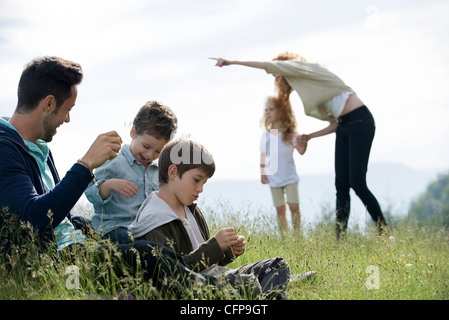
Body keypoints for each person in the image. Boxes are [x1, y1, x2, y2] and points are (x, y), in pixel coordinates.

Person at [0, 56, 230, 298]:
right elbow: (31, 220)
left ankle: (216, 285)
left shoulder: (38, 149)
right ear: (49, 104)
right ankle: (226, 293)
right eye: (68, 109)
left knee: (150, 253)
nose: (68, 119)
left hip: (76, 248)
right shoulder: (5, 150)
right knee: (148, 258)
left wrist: (92, 228)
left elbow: (60, 218)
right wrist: (85, 165)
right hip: (65, 267)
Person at [211, 53, 388, 239]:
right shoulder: (307, 85)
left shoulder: (303, 68)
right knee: (341, 185)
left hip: (360, 121)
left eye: (276, 72)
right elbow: (335, 124)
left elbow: (267, 66)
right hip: (343, 126)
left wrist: (232, 62)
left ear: (284, 66)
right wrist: (309, 136)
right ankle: (340, 239)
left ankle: (384, 231)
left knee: (357, 183)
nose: (274, 76)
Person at [129, 138, 314, 299]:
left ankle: (272, 291)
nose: (200, 189)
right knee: (246, 283)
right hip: (195, 287)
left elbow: (208, 263)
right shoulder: (154, 220)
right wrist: (214, 246)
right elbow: (171, 276)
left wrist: (228, 251)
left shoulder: (191, 209)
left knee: (277, 264)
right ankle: (274, 287)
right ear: (172, 172)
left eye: (204, 182)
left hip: (215, 276)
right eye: (196, 180)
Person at [85, 101, 177, 244]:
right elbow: (91, 193)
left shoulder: (158, 171)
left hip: (145, 229)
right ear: (133, 132)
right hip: (114, 228)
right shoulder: (113, 160)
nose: (149, 155)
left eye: (158, 151)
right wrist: (109, 185)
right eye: (146, 146)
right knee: (126, 238)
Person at [260, 95, 306, 233]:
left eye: (271, 109)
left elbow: (301, 151)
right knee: (280, 209)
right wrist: (262, 173)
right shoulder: (267, 134)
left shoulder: (289, 133)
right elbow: (263, 155)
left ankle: (297, 235)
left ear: (281, 111)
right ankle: (284, 237)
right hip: (273, 176)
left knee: (294, 207)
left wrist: (304, 144)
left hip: (289, 176)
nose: (268, 112)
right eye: (266, 109)